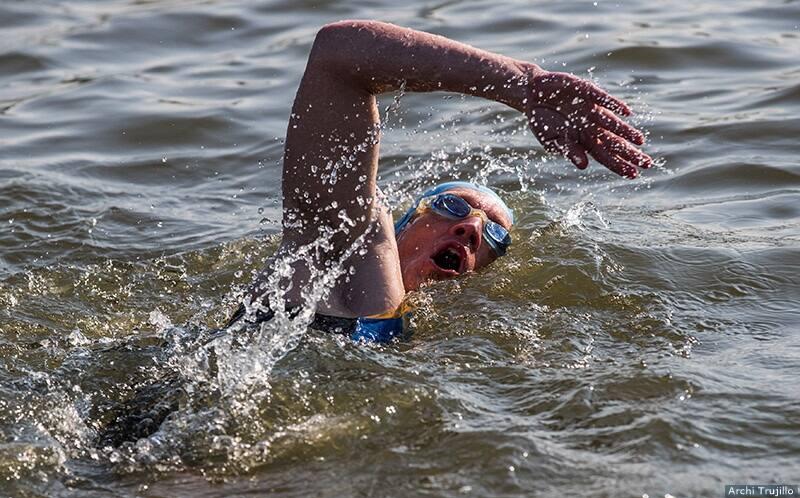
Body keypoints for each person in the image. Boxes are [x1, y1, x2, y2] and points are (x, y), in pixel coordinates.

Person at [229, 20, 651, 342]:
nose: (471, 228)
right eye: (452, 206)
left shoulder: (430, 336)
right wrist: (521, 84)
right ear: (404, 222)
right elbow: (338, 53)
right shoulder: (337, 249)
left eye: (495, 237)